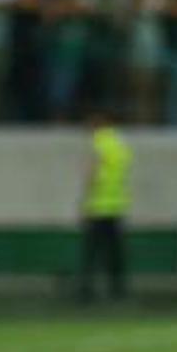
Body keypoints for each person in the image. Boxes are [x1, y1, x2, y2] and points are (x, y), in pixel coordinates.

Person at [78, 110, 131, 301]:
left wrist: (85, 202)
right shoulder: (120, 143)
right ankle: (118, 290)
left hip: (99, 205)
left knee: (91, 252)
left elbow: (92, 173)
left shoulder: (99, 143)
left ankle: (86, 291)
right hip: (117, 204)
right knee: (115, 252)